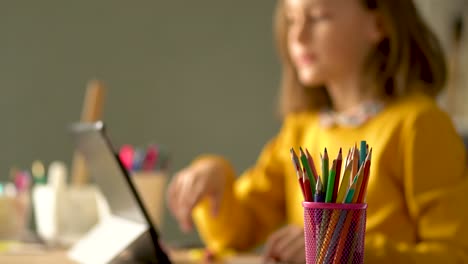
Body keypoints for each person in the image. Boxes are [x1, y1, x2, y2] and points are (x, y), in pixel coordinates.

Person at [167, 0, 468, 263]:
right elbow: (235, 236)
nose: (297, 36)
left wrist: (344, 249)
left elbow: (453, 256)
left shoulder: (419, 125)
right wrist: (215, 179)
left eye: (318, 17)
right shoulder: (302, 129)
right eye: (291, 19)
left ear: (378, 23)